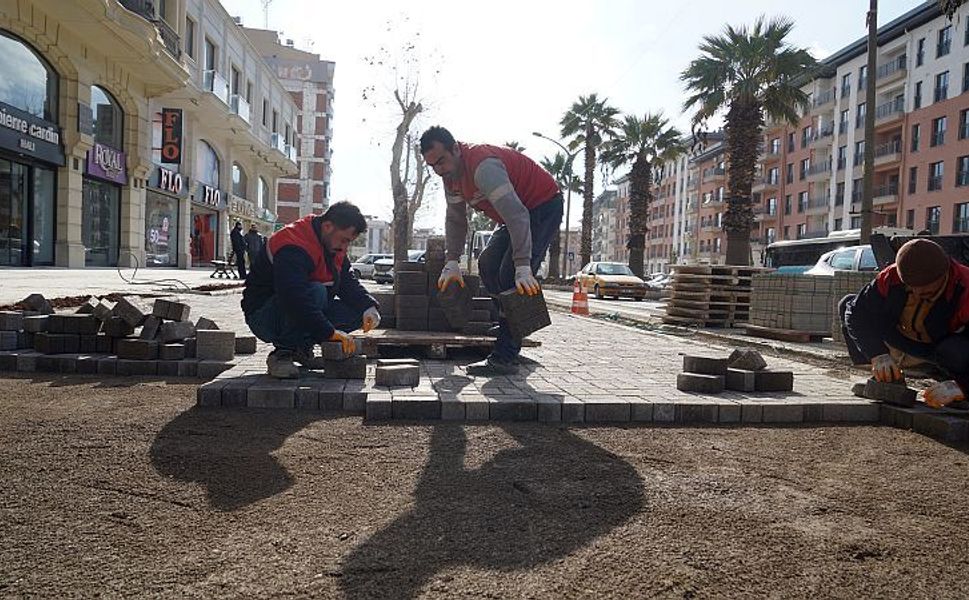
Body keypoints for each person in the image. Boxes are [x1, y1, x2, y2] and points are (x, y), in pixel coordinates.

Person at [419, 125, 563, 376]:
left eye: (441, 161)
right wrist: (451, 261)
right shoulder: (449, 178)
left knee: (510, 274)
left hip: (541, 206)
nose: (439, 170)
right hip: (514, 215)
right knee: (487, 263)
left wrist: (523, 266)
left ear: (456, 149)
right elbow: (455, 219)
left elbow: (518, 215)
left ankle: (505, 357)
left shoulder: (483, 167)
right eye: (433, 166)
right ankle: (511, 322)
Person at [241, 202, 381, 378]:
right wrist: (328, 332)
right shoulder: (293, 242)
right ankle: (282, 354)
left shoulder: (333, 244)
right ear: (328, 226)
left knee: (357, 312)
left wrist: (369, 307)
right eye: (344, 240)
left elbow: (347, 282)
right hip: (264, 315)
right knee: (317, 292)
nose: (345, 248)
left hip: (299, 308)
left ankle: (301, 349)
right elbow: (293, 298)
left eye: (349, 242)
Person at [840, 238, 969, 408]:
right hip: (905, 341)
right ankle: (888, 378)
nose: (916, 293)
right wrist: (877, 354)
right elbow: (857, 313)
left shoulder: (964, 286)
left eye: (927, 291)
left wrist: (961, 387)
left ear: (945, 274)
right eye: (911, 287)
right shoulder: (891, 277)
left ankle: (954, 389)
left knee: (955, 351)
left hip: (940, 351)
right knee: (849, 304)